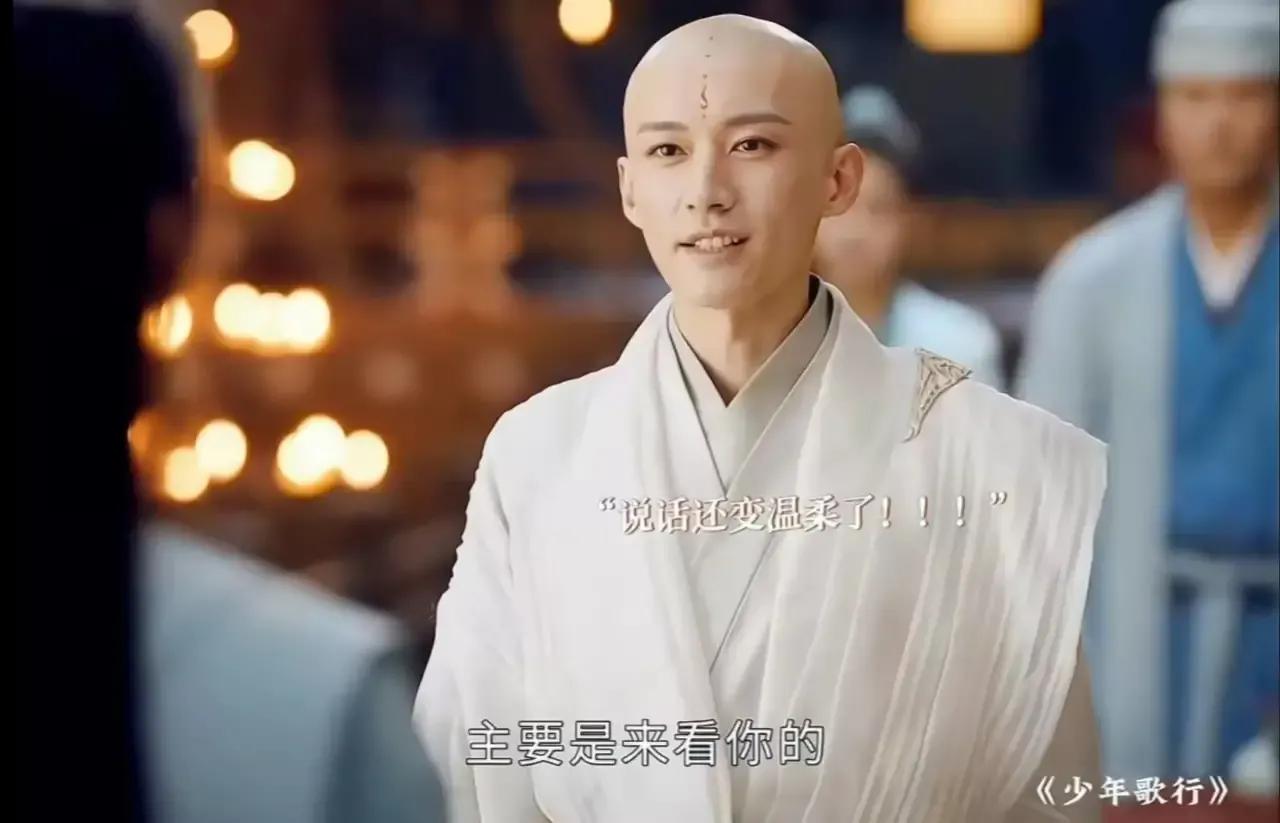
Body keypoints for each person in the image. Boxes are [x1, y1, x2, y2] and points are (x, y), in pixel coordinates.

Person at [417, 14, 1105, 822]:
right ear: (629, 188)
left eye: (752, 145)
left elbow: (1045, 787)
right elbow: (467, 763)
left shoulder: (980, 458)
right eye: (669, 151)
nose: (707, 191)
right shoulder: (538, 453)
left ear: (838, 181)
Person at [1017, 0, 1278, 784]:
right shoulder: (1092, 280)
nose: (1219, 123)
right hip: (1133, 617)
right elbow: (1038, 504)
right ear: (1161, 112)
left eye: (1244, 96)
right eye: (1195, 97)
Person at [813, 85, 1005, 389]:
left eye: (878, 209)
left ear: (908, 221)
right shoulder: (766, 343)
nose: (855, 232)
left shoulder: (960, 346)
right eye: (841, 207)